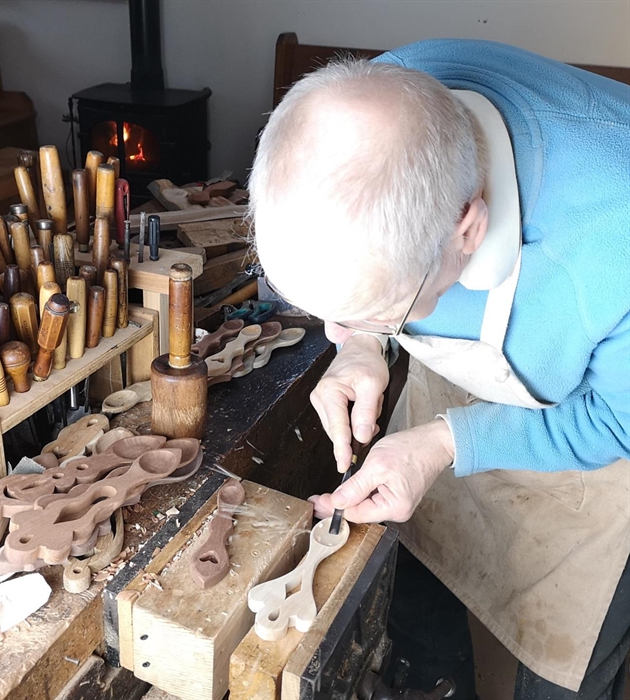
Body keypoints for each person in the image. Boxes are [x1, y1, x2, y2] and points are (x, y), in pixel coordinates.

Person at [249, 39, 630, 699]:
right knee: (421, 620)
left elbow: (615, 420)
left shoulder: (612, 244)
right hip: (465, 385)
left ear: (466, 231)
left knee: (558, 677)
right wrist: (359, 344)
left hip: (599, 441)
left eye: (378, 312)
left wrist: (443, 441)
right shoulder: (364, 106)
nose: (354, 323)